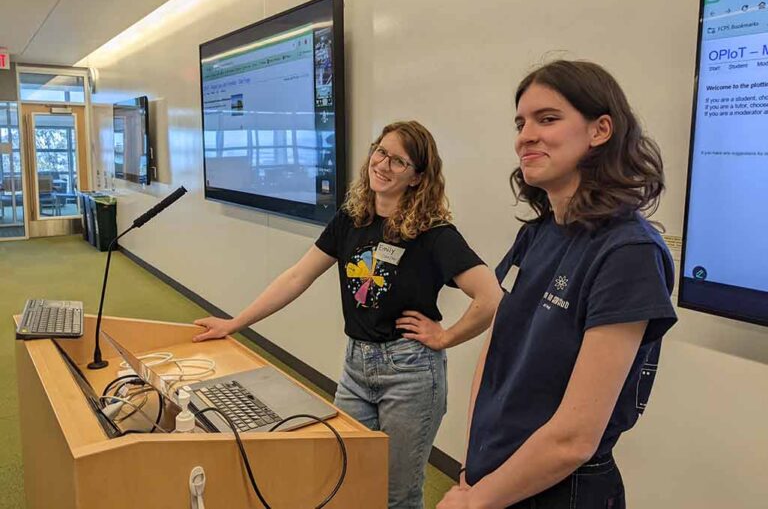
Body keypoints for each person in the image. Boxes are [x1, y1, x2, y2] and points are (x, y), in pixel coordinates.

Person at [194, 120, 503, 509]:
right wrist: (234, 323)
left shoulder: (432, 233)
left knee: (397, 496)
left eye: (399, 162)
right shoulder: (351, 219)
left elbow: (490, 297)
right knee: (343, 476)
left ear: (417, 177)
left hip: (410, 374)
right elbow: (296, 277)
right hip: (356, 368)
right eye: (381, 152)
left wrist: (445, 337)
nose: (384, 165)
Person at [438, 60, 678, 509]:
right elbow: (497, 351)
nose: (525, 135)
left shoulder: (627, 252)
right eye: (520, 123)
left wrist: (474, 501)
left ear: (600, 130)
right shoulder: (537, 234)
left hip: (561, 490)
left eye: (547, 119)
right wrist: (475, 465)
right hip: (496, 474)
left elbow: (573, 438)